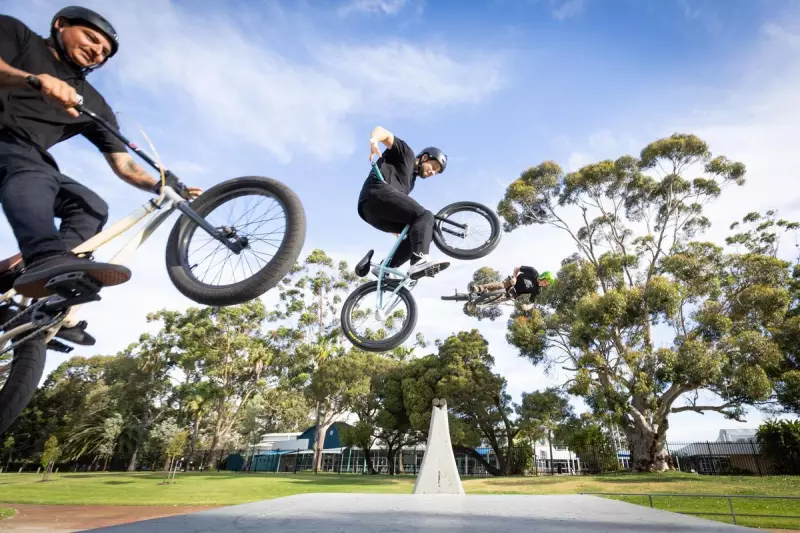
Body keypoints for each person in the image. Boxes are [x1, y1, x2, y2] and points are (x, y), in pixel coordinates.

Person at [0, 8, 199, 341]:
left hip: (29, 158)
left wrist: (161, 183)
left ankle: (28, 285)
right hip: (8, 142)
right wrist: (34, 80)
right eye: (91, 38)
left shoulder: (91, 102)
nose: (96, 51)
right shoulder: (18, 35)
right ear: (60, 24)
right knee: (32, 168)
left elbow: (123, 164)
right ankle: (45, 258)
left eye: (104, 52)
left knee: (90, 206)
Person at [357, 125, 450, 280]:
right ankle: (419, 260)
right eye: (433, 167)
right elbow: (383, 132)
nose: (432, 172)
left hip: (371, 213)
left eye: (436, 172)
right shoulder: (406, 154)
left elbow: (398, 204)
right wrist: (374, 140)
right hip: (376, 193)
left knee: (419, 231)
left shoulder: (410, 182)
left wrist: (400, 229)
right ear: (425, 157)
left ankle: (385, 268)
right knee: (425, 215)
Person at [469, 266, 553, 301]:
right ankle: (479, 288)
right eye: (545, 282)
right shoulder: (533, 272)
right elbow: (517, 268)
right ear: (543, 276)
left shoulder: (537, 290)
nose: (545, 285)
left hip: (514, 293)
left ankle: (481, 298)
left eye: (546, 284)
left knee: (500, 298)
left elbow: (531, 301)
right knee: (501, 286)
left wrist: (527, 307)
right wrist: (515, 277)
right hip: (512, 282)